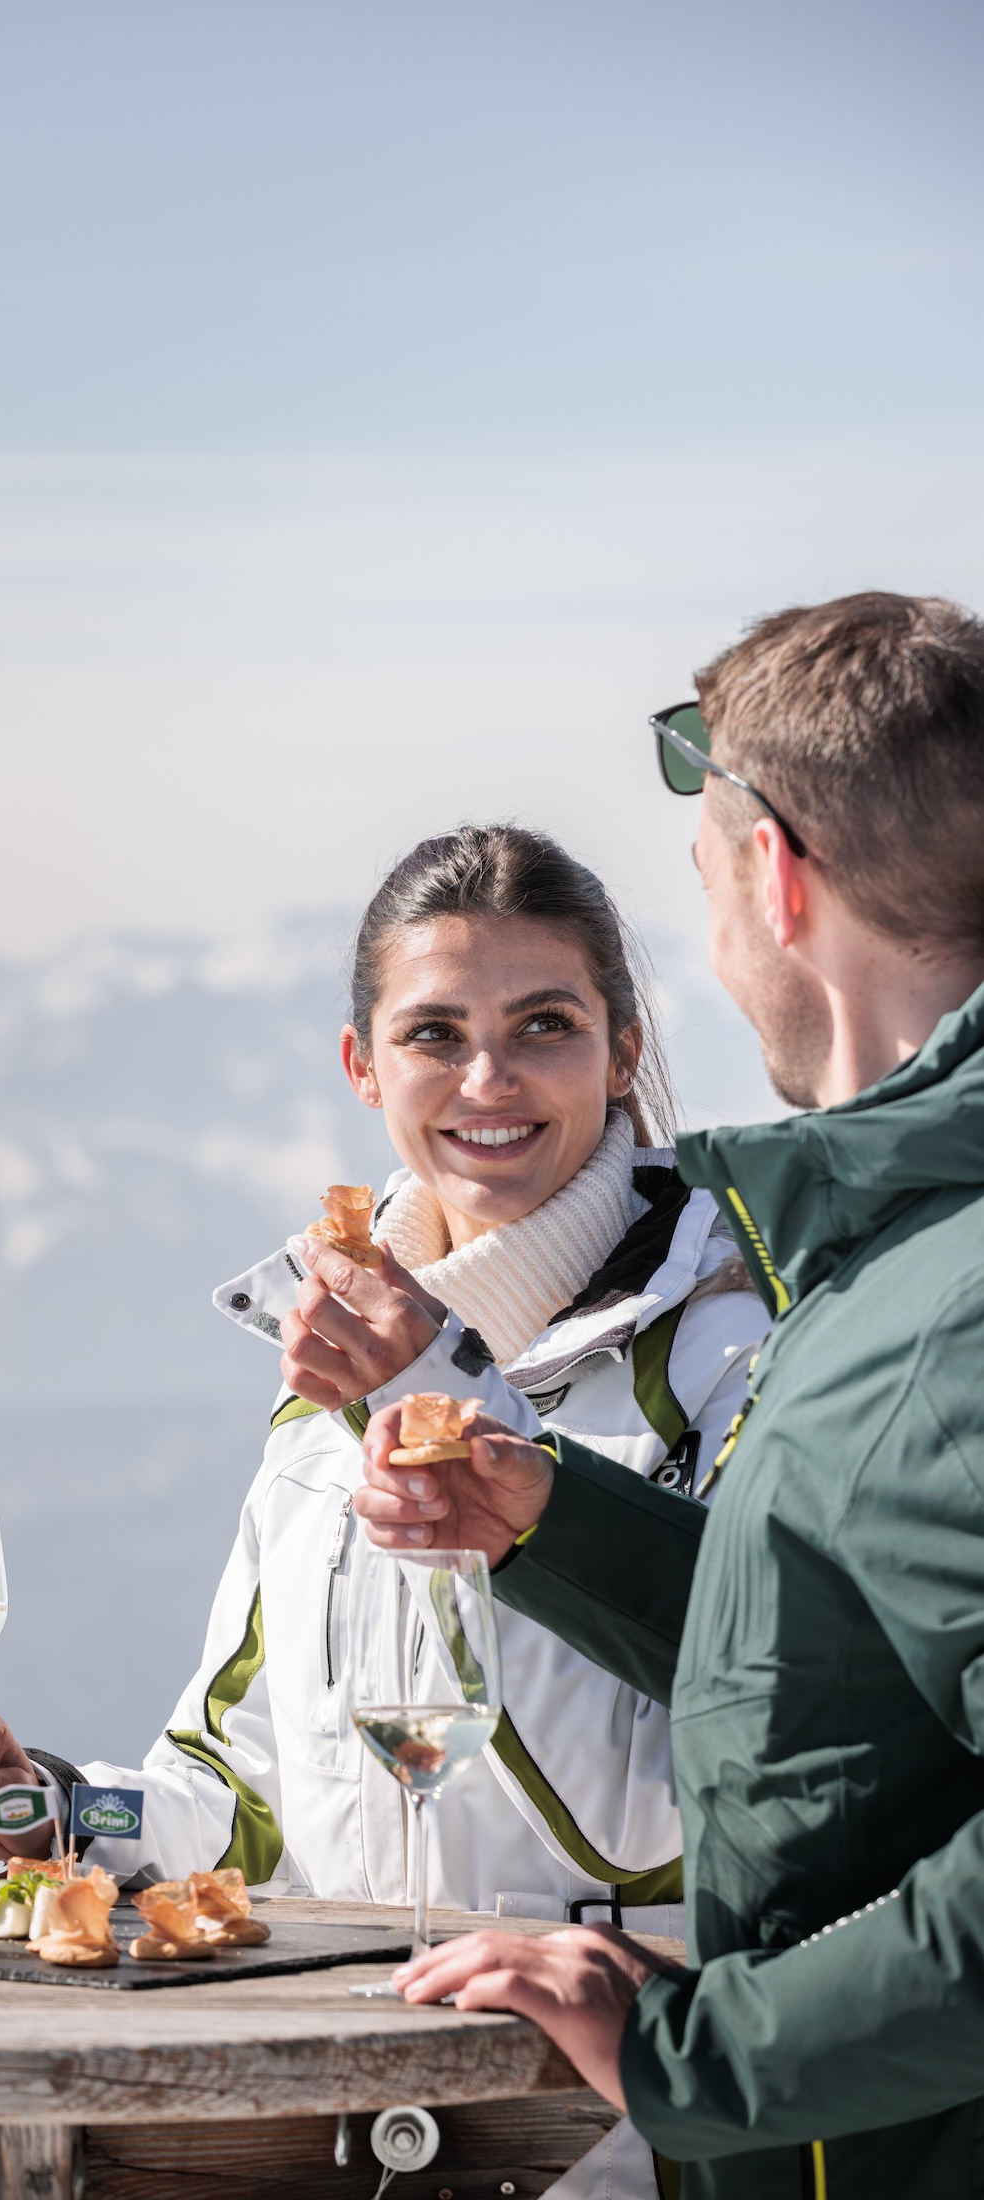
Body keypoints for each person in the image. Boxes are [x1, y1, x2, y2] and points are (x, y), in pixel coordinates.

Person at [0, 827, 766, 2195]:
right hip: (338, 2102)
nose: (490, 1080)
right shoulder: (325, 1398)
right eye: (435, 1033)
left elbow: (728, 1748)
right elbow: (237, 1803)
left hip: (615, 2107)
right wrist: (40, 1812)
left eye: (546, 1024)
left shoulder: (727, 1347)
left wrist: (449, 1410)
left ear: (625, 1051)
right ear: (364, 1066)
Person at [356, 593, 984, 2200]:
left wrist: (697, 2060)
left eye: (706, 887)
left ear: (775, 880)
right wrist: (560, 1530)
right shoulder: (896, 1246)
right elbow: (854, 1690)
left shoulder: (946, 1297)